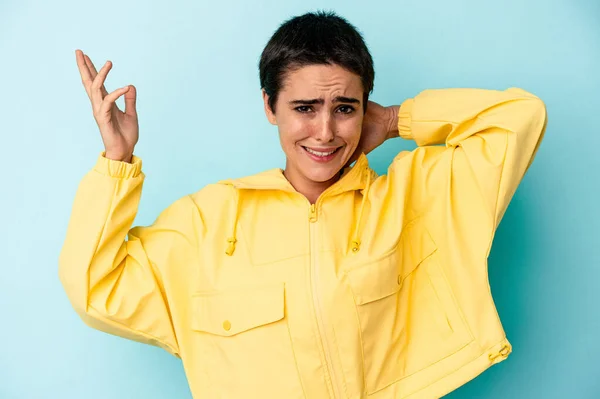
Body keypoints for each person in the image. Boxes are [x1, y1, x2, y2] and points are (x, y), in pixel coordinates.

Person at [59, 11, 547, 399]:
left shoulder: (415, 197)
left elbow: (518, 117)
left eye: (344, 108)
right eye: (304, 108)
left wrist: (398, 119)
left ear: (364, 109)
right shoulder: (206, 222)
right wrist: (117, 160)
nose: (326, 132)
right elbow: (93, 288)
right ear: (269, 106)